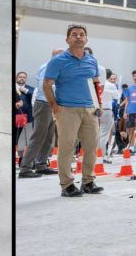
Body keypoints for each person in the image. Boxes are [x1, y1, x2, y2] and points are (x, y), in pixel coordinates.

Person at [42, 24, 104, 197]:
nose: (78, 37)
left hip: (90, 110)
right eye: (74, 34)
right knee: (67, 147)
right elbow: (47, 84)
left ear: (86, 39)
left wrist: (98, 105)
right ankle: (67, 184)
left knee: (91, 146)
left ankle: (88, 181)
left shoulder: (92, 60)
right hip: (67, 109)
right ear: (67, 39)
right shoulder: (58, 61)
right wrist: (54, 106)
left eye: (81, 34)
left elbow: (95, 83)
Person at [18, 48, 63, 178]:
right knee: (38, 137)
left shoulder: (55, 68)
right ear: (57, 56)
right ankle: (25, 168)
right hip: (43, 103)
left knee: (49, 137)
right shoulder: (47, 67)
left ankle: (41, 165)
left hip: (50, 104)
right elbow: (45, 86)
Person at [99, 70, 120, 163]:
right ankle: (102, 156)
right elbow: (116, 97)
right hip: (106, 110)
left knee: (97, 134)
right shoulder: (110, 85)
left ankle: (97, 155)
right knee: (103, 135)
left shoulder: (97, 84)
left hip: (95, 110)